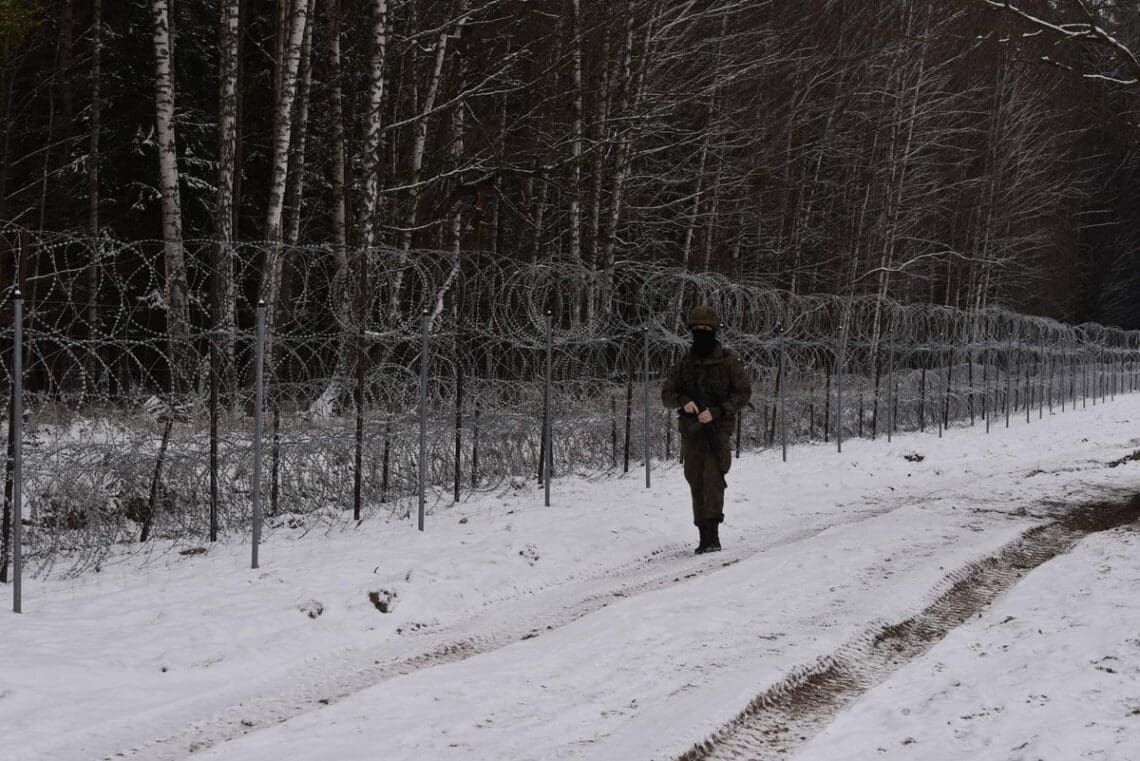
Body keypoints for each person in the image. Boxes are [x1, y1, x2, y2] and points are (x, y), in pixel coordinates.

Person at [661, 305, 752, 554]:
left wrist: (719, 410)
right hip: (691, 431)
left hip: (718, 429)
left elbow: (743, 393)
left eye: (706, 330)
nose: (701, 333)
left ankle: (712, 535)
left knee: (713, 478)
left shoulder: (728, 361)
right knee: (695, 479)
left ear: (714, 331)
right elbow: (667, 395)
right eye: (697, 329)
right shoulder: (684, 364)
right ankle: (703, 533)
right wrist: (684, 402)